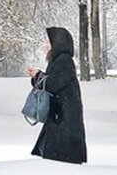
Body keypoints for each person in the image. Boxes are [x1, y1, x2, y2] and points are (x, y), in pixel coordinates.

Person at [26, 27, 88, 164]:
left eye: (49, 42)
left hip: (63, 116)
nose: (46, 45)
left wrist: (38, 75)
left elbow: (53, 84)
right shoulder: (59, 60)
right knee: (55, 155)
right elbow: (52, 81)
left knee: (60, 157)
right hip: (60, 115)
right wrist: (37, 76)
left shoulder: (64, 60)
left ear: (58, 43)